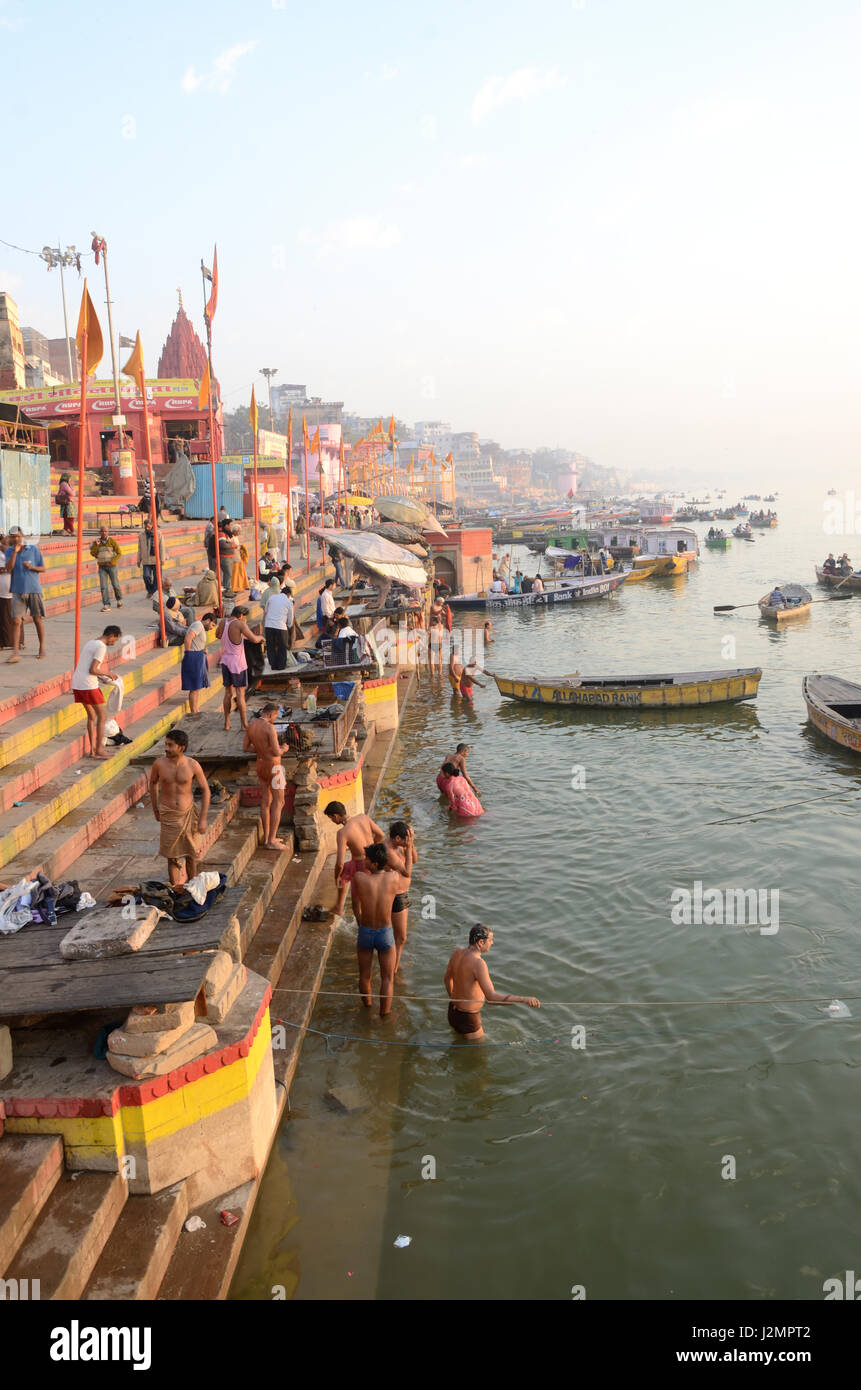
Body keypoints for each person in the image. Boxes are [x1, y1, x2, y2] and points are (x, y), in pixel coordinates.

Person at [444, 924, 540, 1042]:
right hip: (469, 1018)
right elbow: (492, 998)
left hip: (452, 1012)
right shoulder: (478, 963)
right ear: (480, 943)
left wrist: (454, 1000)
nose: (492, 943)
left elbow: (447, 979)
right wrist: (523, 999)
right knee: (479, 1056)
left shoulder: (457, 953)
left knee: (458, 1042)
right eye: (490, 940)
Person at [351, 842, 412, 1017]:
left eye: (367, 859)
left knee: (364, 975)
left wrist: (361, 923)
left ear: (375, 864)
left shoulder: (359, 878)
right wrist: (409, 847)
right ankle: (384, 1015)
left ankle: (367, 1007)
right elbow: (407, 873)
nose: (364, 861)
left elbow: (356, 907)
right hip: (385, 933)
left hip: (365, 931)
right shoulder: (393, 878)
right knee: (388, 978)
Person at [149, 727, 210, 887]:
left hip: (188, 813)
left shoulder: (192, 765)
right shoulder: (159, 764)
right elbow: (153, 784)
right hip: (168, 814)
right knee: (172, 856)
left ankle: (193, 886)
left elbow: (206, 790)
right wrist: (155, 809)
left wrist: (203, 818)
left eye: (170, 745)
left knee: (191, 854)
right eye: (166, 744)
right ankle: (176, 889)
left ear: (181, 748)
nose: (166, 748)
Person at [324, 801, 386, 917]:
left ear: (335, 816)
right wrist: (371, 849)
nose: (332, 821)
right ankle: (338, 907)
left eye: (331, 818)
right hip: (371, 861)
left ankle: (362, 932)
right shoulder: (363, 817)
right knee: (345, 871)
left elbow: (339, 863)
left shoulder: (342, 833)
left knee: (356, 906)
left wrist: (336, 877)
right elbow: (381, 835)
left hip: (361, 866)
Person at [71, 624, 122, 758]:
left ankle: (93, 750)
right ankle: (99, 749)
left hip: (77, 683)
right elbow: (93, 669)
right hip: (88, 684)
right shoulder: (101, 646)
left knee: (92, 716)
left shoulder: (91, 642)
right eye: (115, 640)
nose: (114, 642)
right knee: (102, 716)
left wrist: (102, 676)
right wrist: (108, 674)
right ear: (111, 636)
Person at [244, 704, 288, 850]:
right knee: (279, 801)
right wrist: (284, 748)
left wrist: (261, 749)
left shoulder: (251, 725)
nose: (276, 719)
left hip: (260, 764)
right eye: (276, 716)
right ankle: (271, 841)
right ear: (271, 714)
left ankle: (268, 837)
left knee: (265, 800)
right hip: (274, 766)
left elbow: (245, 747)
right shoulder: (269, 728)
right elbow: (276, 752)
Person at [216, 606, 263, 731]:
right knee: (240, 694)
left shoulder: (223, 622)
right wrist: (261, 638)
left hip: (225, 661)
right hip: (237, 663)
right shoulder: (240, 624)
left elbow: (218, 635)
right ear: (241, 615)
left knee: (227, 693)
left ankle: (227, 723)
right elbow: (253, 639)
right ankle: (244, 725)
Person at [3, 527, 46, 663]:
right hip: (17, 590)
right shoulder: (9, 551)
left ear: (22, 536)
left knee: (37, 619)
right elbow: (9, 568)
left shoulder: (33, 549)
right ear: (10, 538)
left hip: (34, 589)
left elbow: (43, 568)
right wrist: (15, 553)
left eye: (17, 536)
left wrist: (32, 568)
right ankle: (15, 653)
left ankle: (42, 647)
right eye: (13, 537)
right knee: (16, 621)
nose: (15, 539)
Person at [384, 820, 417, 971]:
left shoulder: (399, 846)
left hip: (401, 895)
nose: (407, 843)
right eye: (406, 839)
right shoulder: (389, 851)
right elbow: (407, 872)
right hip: (395, 896)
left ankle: (392, 966)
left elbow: (414, 860)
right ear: (397, 838)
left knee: (395, 935)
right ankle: (393, 970)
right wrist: (408, 847)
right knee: (401, 937)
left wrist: (411, 844)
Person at [181, 610, 217, 715]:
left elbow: (195, 642)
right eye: (212, 625)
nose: (212, 628)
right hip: (193, 657)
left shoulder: (199, 627)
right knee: (194, 687)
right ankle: (193, 711)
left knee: (197, 687)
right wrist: (188, 653)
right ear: (208, 620)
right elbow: (188, 638)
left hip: (198, 656)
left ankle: (196, 709)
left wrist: (203, 650)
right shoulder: (198, 625)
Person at [89, 526, 123, 612]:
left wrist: (112, 561)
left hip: (112, 566)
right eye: (102, 531)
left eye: (105, 531)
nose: (104, 533)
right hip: (102, 567)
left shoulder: (112, 541)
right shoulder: (96, 542)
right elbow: (93, 553)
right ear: (99, 532)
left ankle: (119, 599)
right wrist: (96, 545)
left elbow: (119, 553)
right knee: (103, 587)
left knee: (115, 584)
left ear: (108, 532)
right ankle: (106, 604)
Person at [263, 582, 294, 671]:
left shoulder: (272, 597)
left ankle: (273, 665)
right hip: (281, 626)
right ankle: (281, 666)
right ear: (288, 594)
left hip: (268, 625)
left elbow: (266, 611)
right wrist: (288, 626)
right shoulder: (289, 602)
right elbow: (290, 620)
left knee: (270, 646)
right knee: (282, 646)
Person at [137, 518, 165, 598]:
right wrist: (138, 559)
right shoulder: (141, 535)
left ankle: (154, 592)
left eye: (148, 527)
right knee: (146, 576)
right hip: (146, 560)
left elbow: (162, 547)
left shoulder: (158, 534)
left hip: (156, 559)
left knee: (157, 578)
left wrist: (162, 559)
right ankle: (150, 590)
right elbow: (139, 548)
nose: (147, 528)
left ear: (152, 526)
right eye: (145, 527)